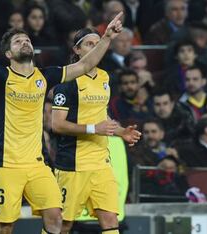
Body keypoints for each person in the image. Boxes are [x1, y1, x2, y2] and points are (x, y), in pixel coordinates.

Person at [0, 3, 123, 234]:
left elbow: (86, 63)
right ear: (8, 54)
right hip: (7, 164)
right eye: (18, 42)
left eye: (27, 40)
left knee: (56, 217)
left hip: (37, 164)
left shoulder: (46, 76)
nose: (24, 42)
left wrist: (107, 37)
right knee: (5, 226)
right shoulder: (1, 75)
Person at [51, 28, 141, 234]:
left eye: (97, 43)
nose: (95, 47)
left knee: (110, 220)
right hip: (73, 165)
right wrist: (94, 129)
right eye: (89, 44)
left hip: (101, 163)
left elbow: (102, 116)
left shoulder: (104, 78)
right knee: (63, 224)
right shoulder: (67, 80)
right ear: (77, 50)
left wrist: (120, 132)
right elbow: (57, 125)